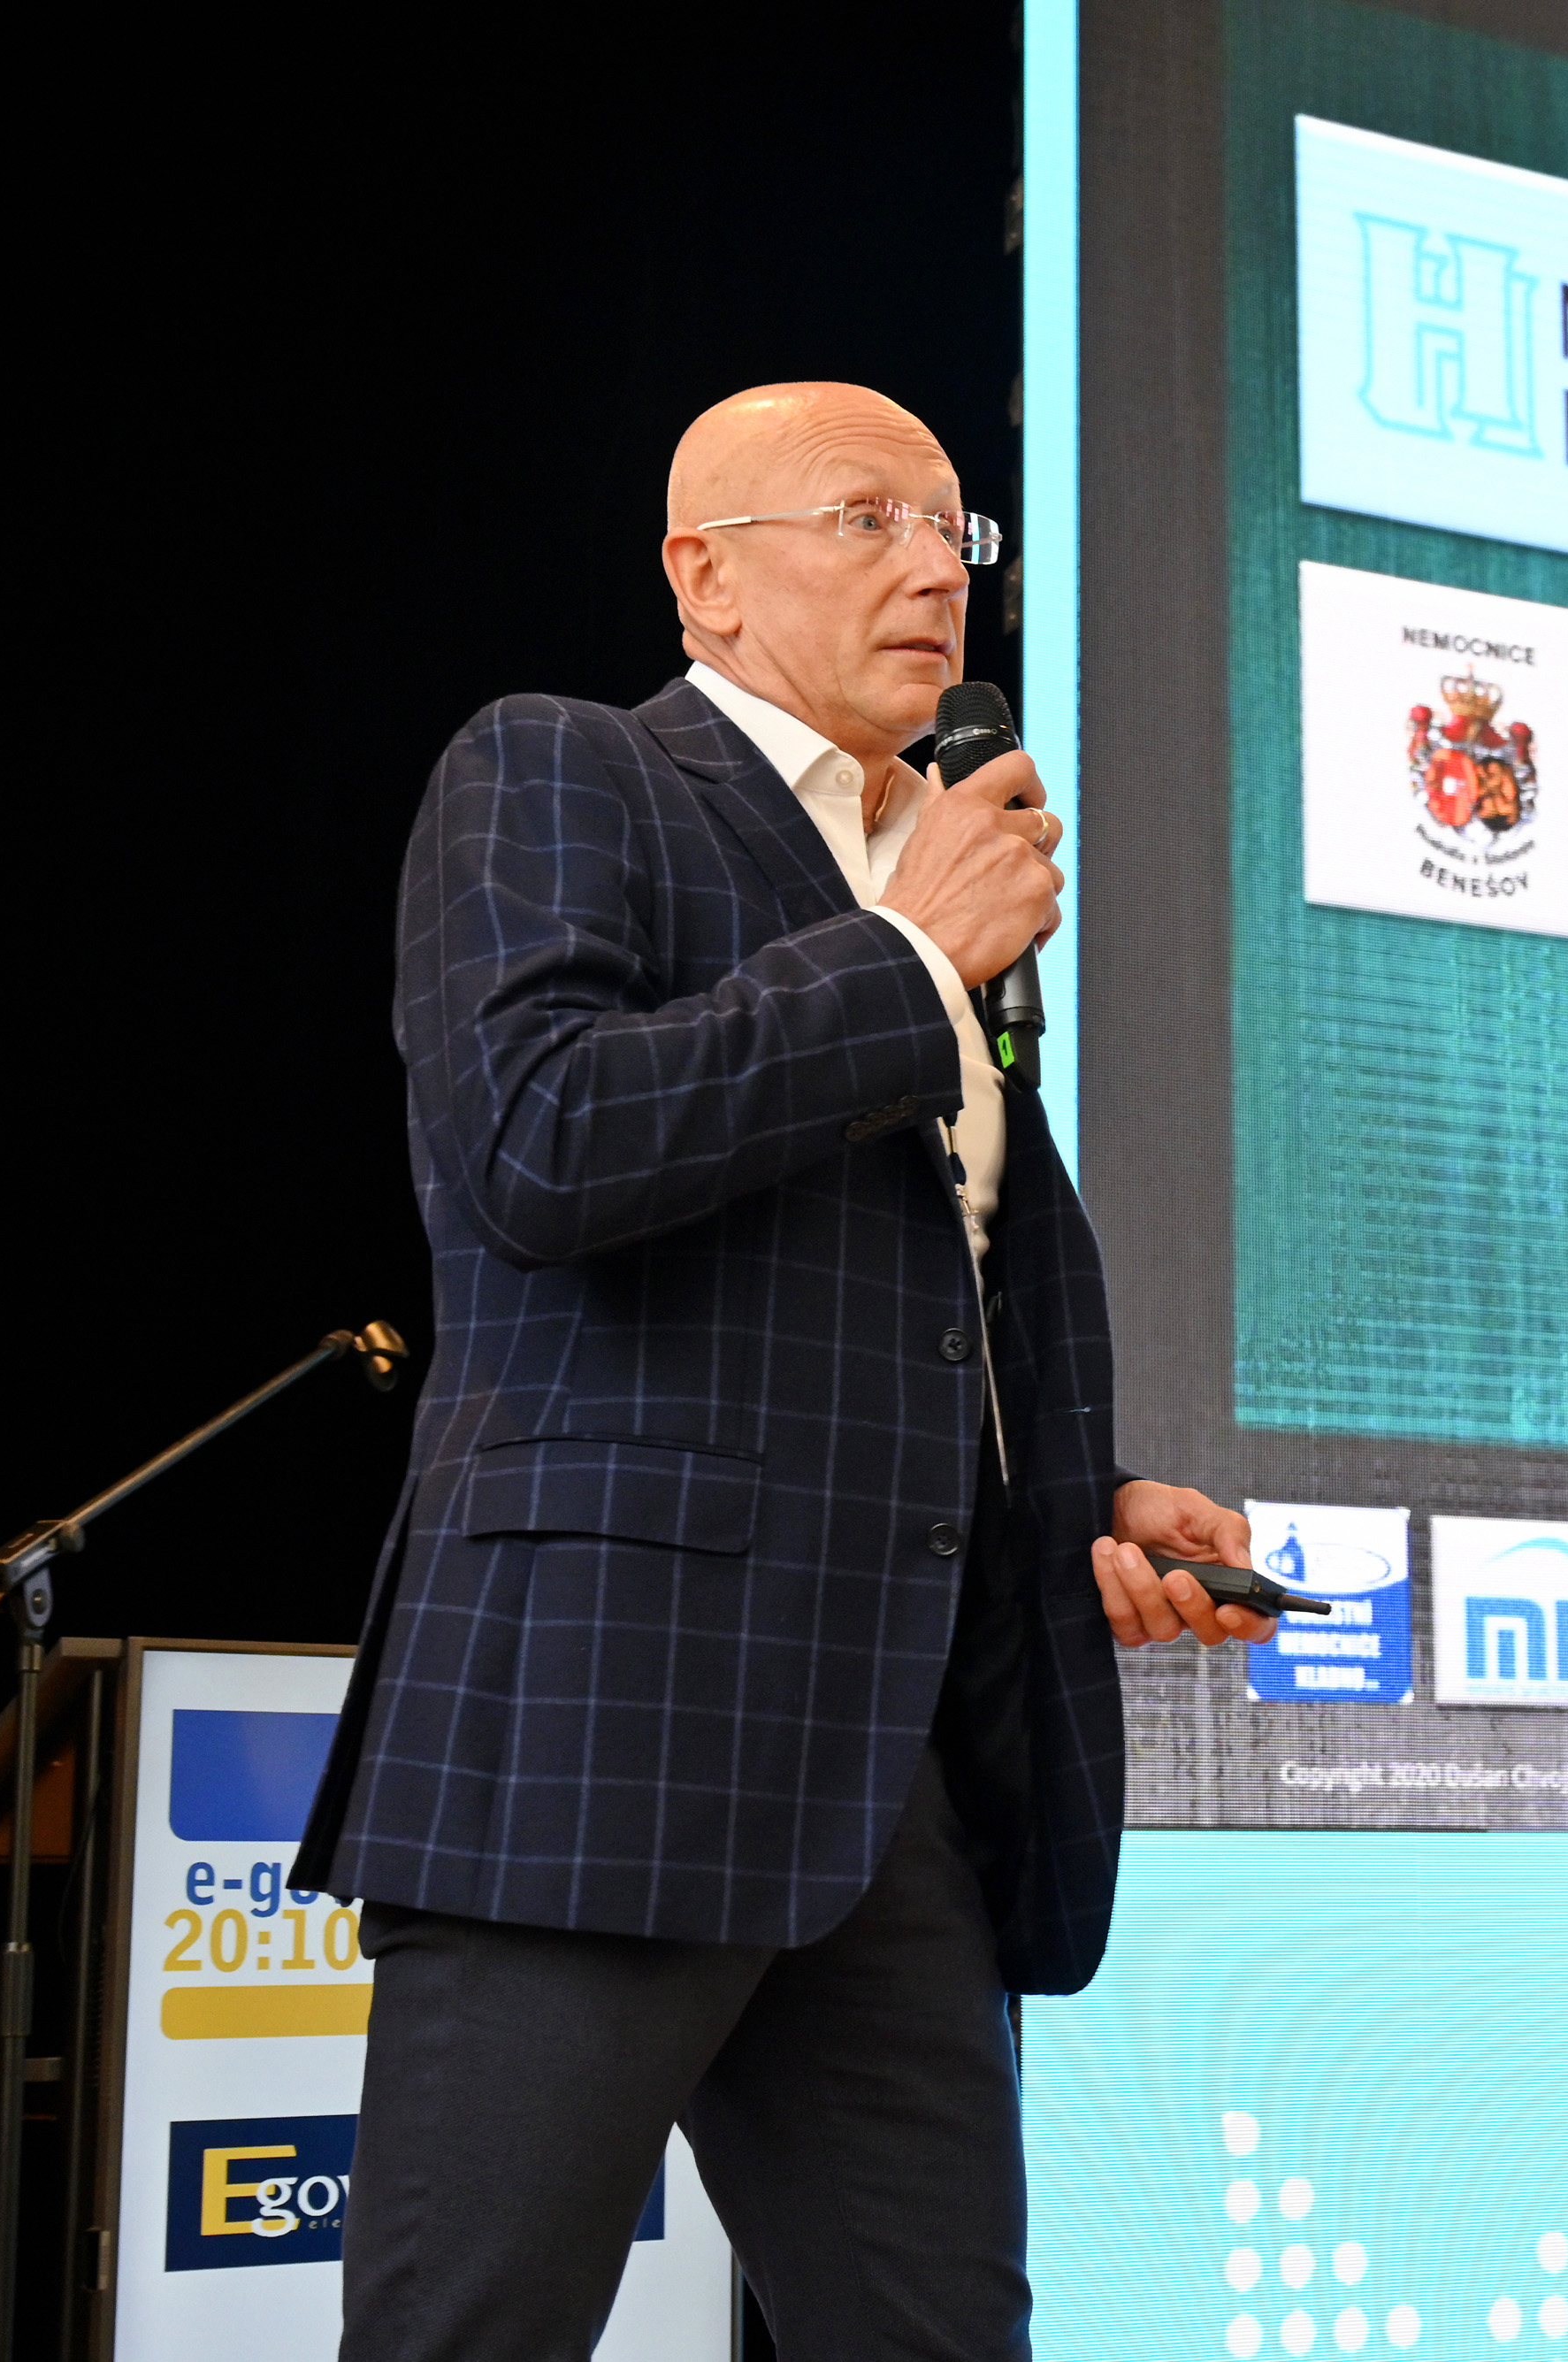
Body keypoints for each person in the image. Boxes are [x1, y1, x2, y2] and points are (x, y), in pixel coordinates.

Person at [294, 381, 1271, 2361]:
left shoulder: (936, 874)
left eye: (952, 528)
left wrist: (1079, 1509)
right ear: (705, 578)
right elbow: (542, 1142)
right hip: (605, 1739)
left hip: (891, 1792)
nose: (936, 569)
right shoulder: (563, 769)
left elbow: (894, 1307)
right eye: (863, 518)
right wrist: (903, 963)